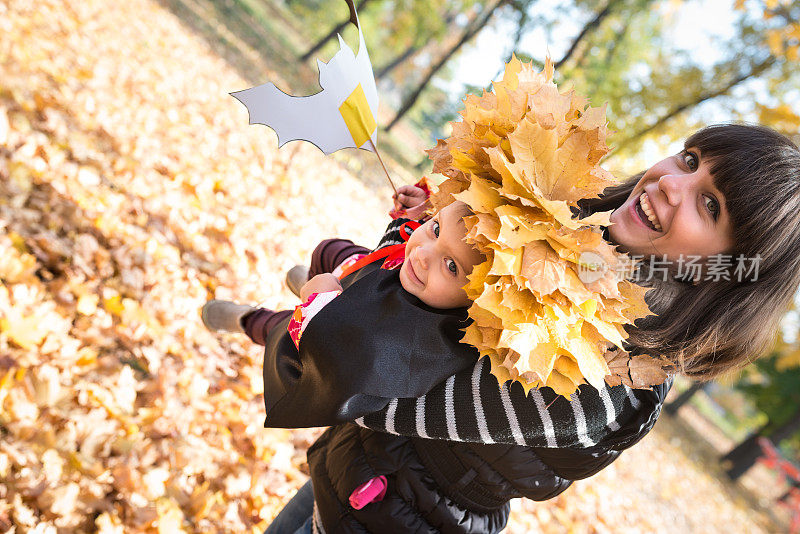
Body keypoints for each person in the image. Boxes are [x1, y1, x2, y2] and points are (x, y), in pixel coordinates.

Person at [202, 123, 800, 533]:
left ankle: (261, 316)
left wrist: (322, 306)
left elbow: (371, 390)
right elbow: (440, 304)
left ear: (729, 275)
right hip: (363, 468)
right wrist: (425, 230)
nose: (672, 182)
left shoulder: (598, 383)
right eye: (690, 161)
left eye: (710, 205)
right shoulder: (572, 241)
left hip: (392, 515)